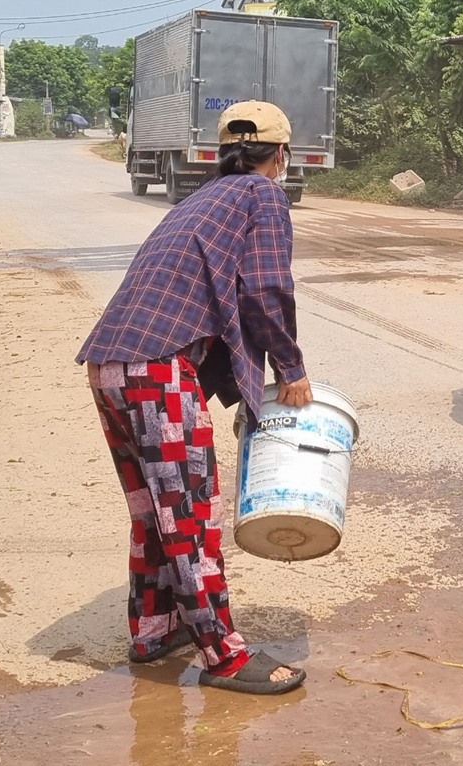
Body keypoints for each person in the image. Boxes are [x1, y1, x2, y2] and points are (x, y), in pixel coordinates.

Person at [77, 100, 310, 695]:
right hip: (158, 368)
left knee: (154, 512)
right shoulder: (263, 196)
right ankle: (224, 655)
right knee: (190, 515)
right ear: (281, 155)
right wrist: (291, 368)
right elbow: (264, 289)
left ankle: (155, 629)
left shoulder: (200, 199)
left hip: (111, 364)